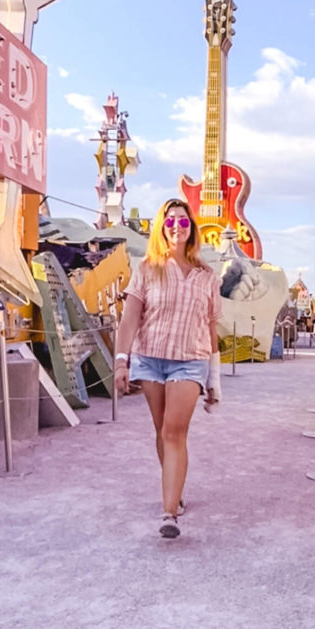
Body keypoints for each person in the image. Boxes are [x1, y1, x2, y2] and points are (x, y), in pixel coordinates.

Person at [114, 198, 221, 539]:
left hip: (190, 361)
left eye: (183, 221)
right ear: (162, 227)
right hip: (150, 360)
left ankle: (168, 514)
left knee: (174, 431)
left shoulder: (207, 276)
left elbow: (211, 328)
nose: (177, 226)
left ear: (192, 229)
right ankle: (174, 491)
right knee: (162, 431)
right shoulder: (147, 269)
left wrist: (214, 380)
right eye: (170, 221)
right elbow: (130, 319)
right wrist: (121, 361)